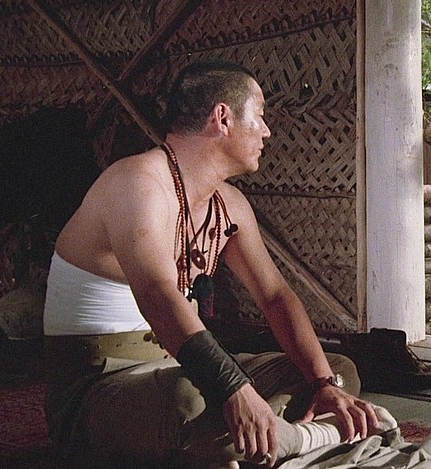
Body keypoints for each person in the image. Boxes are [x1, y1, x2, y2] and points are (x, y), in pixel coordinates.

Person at [43, 60, 394, 468]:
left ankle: (258, 434)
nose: (267, 131)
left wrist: (322, 384)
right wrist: (233, 388)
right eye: (259, 115)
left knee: (336, 372)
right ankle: (304, 437)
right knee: (190, 402)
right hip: (99, 390)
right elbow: (158, 295)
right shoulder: (138, 182)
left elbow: (275, 296)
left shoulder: (229, 205)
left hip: (181, 369)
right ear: (223, 118)